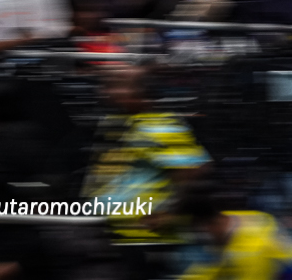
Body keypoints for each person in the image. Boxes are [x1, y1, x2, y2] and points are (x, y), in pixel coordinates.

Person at [81, 65, 209, 277]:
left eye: (118, 85)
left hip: (151, 238)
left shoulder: (157, 123)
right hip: (121, 234)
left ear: (142, 91)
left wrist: (171, 212)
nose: (107, 91)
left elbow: (193, 170)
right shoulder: (119, 123)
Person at [179, 190, 292, 280]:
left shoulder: (250, 251)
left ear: (212, 224)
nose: (202, 239)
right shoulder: (234, 218)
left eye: (202, 232)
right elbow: (211, 267)